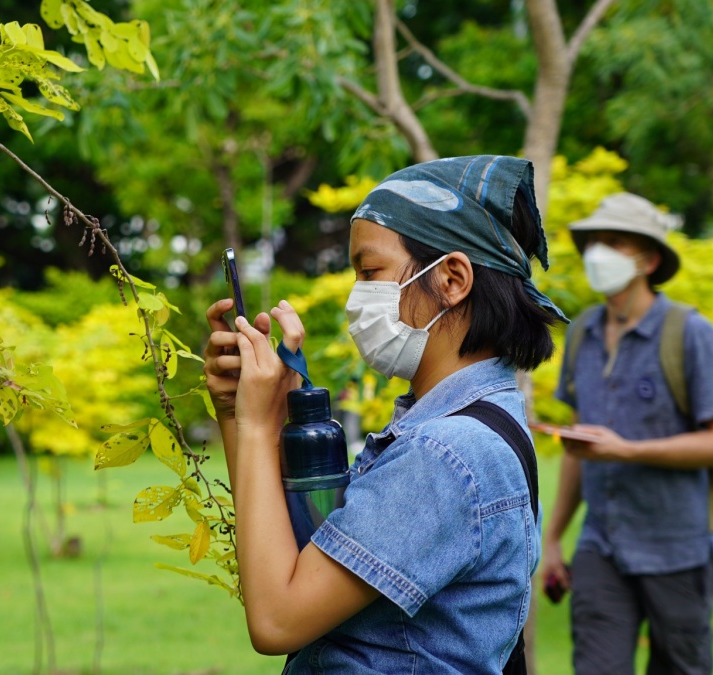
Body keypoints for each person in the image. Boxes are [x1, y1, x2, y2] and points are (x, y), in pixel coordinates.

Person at [203, 156, 567, 673]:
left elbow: (277, 619)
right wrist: (238, 417)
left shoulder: (445, 454)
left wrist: (260, 425)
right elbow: (292, 566)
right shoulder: (477, 427)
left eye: (370, 271)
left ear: (452, 278)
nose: (358, 296)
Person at [542, 192, 713, 675]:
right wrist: (553, 539)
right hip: (601, 545)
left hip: (677, 548)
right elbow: (581, 448)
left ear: (649, 259)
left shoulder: (693, 335)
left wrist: (628, 451)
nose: (598, 254)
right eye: (594, 242)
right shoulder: (582, 333)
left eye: (614, 243)